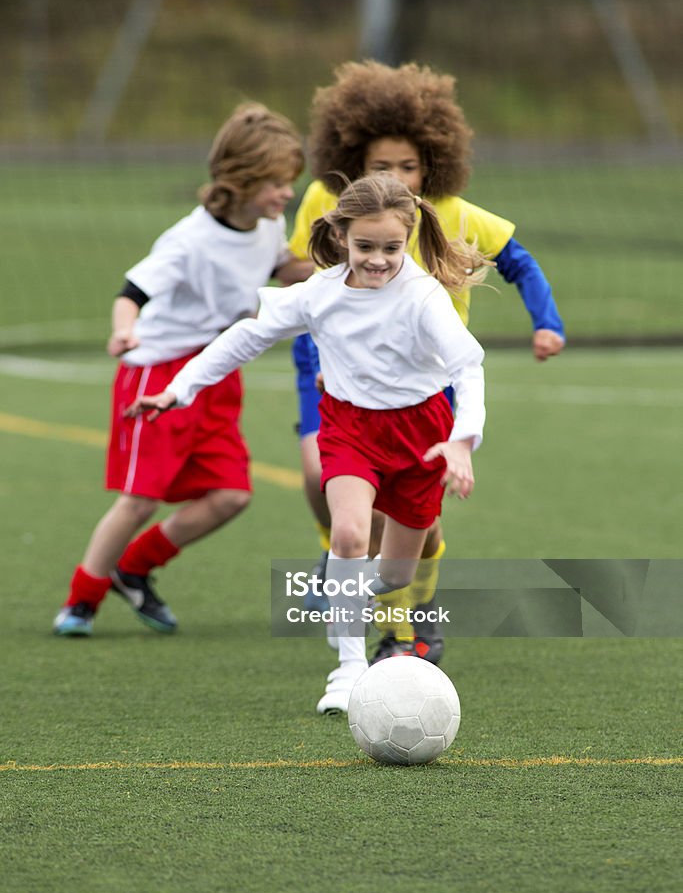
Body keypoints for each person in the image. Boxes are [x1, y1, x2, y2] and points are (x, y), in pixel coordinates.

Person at [125, 172, 490, 714]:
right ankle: (347, 670)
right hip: (349, 429)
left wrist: (462, 441)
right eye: (365, 246)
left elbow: (468, 364)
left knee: (393, 576)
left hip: (423, 436)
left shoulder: (423, 296)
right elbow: (246, 337)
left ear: (408, 238)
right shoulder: (320, 293)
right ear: (342, 236)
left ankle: (347, 602)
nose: (378, 260)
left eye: (391, 247)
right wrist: (177, 389)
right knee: (347, 535)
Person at [288, 60, 565, 663]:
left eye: (408, 166)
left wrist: (547, 323)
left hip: (425, 392)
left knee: (417, 522)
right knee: (324, 483)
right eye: (381, 166)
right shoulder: (326, 202)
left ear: (432, 163)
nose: (396, 177)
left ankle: (408, 625)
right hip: (336, 379)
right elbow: (293, 272)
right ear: (353, 159)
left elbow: (517, 260)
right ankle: (342, 562)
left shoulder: (454, 212)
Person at [53, 102, 309, 637]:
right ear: (241, 180)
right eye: (278, 183)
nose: (288, 193)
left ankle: (134, 568)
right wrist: (124, 328)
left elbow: (282, 268)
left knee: (231, 495)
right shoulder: (188, 240)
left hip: (217, 371)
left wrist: (345, 262)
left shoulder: (268, 224)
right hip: (160, 376)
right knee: (140, 498)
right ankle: (82, 600)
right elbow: (132, 292)